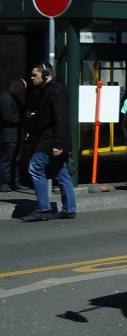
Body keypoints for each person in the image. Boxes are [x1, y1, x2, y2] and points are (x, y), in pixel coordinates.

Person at [22, 62, 77, 221]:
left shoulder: (56, 91)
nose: (32, 78)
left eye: (35, 75)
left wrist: (58, 143)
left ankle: (43, 208)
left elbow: (61, 118)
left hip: (52, 138)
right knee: (61, 172)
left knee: (35, 166)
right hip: (50, 137)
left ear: (45, 74)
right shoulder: (47, 90)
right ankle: (69, 209)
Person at [0, 78, 28, 193]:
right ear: (15, 86)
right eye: (22, 89)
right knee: (7, 160)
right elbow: (7, 117)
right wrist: (23, 116)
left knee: (15, 160)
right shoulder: (6, 98)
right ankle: (4, 183)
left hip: (17, 134)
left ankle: (14, 182)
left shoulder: (15, 98)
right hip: (9, 135)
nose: (22, 92)